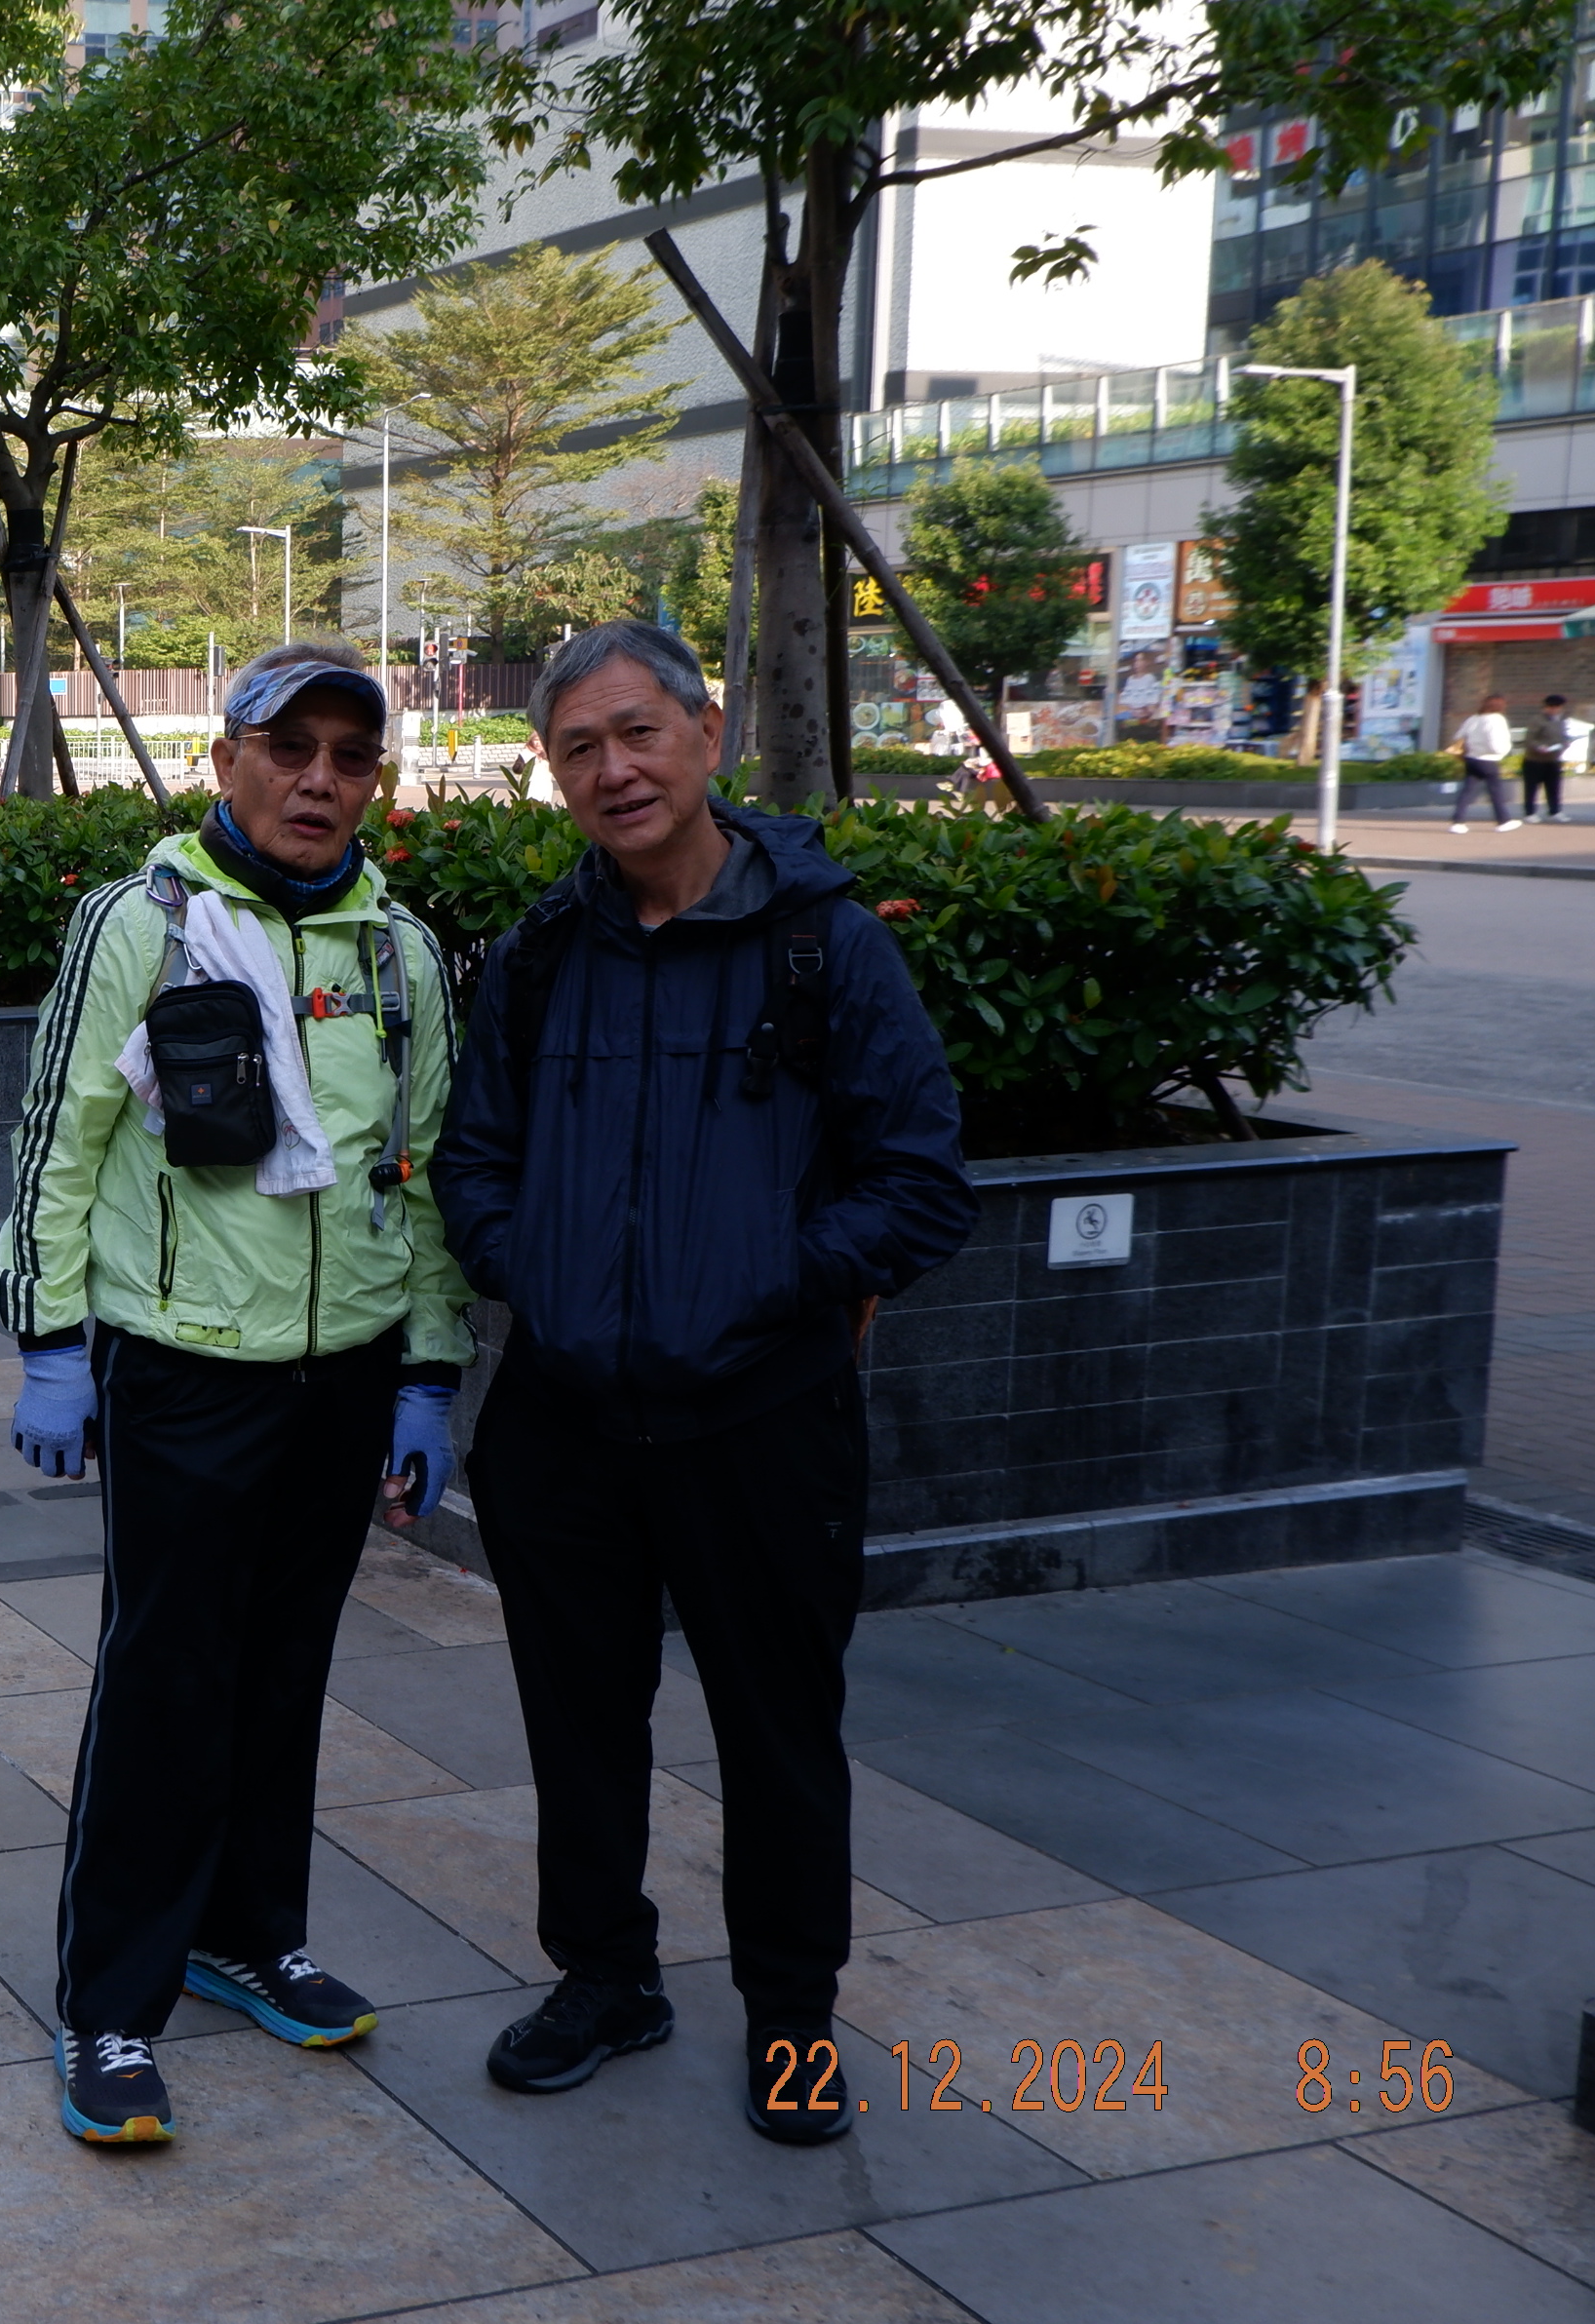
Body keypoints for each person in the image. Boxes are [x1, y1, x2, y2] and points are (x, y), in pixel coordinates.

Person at [440, 620, 974, 2146]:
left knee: (779, 1735)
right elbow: (474, 1162)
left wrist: (766, 1279)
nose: (614, 769)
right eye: (579, 748)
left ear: (706, 733)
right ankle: (605, 1976)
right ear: (553, 774)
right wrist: (539, 1269)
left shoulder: (824, 945)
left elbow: (922, 1183)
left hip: (761, 1421)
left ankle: (793, 2024)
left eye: (638, 733)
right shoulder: (543, 954)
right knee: (579, 1727)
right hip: (565, 1419)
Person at [0, 639, 470, 2147]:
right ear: (227, 762)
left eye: (350, 757)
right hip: (183, 1367)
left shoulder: (400, 953)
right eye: (290, 749)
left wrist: (430, 1369)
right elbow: (59, 1140)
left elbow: (422, 1173)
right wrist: (49, 1341)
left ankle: (251, 1935)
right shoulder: (142, 924)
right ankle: (110, 2005)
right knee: (166, 1683)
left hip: (348, 1373)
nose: (319, 780)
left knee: (284, 1672)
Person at [1451, 694, 1520, 833]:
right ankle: (1503, 821)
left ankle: (1458, 822)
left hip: (1471, 758)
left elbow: (1458, 736)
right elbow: (1496, 742)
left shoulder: (1473, 719)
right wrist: (1502, 752)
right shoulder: (1497, 719)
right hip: (1489, 760)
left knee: (1467, 791)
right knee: (1496, 792)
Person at [1524, 693, 1593, 823]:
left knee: (1554, 787)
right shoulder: (1537, 720)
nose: (1554, 710)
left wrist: (1565, 743)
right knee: (1532, 788)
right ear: (1545, 707)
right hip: (1535, 760)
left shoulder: (1561, 720)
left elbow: (1562, 736)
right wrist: (1539, 747)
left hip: (1554, 759)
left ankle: (1555, 811)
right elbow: (1529, 740)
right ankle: (1530, 813)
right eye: (1551, 707)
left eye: (1557, 707)